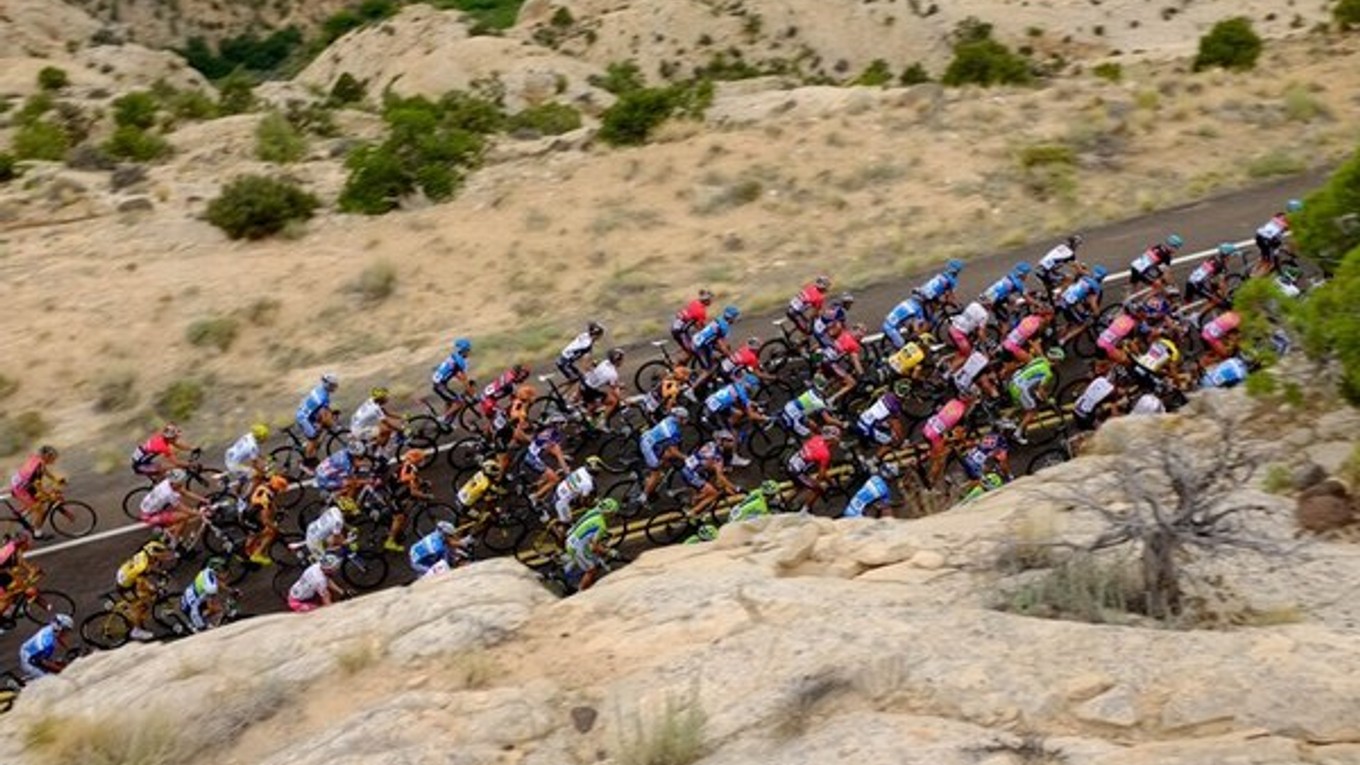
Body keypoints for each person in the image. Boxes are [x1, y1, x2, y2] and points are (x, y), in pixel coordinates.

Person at [115, 539, 177, 641]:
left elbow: (150, 569)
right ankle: (136, 631)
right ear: (154, 554)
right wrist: (152, 588)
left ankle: (134, 616)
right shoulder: (142, 566)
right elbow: (142, 582)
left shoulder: (144, 553)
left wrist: (161, 573)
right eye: (161, 554)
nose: (163, 556)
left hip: (125, 573)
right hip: (125, 585)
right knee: (141, 605)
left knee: (147, 594)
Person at [138, 470, 208, 549]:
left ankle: (168, 530)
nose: (183, 483)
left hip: (147, 508)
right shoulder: (169, 493)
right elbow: (183, 508)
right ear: (176, 482)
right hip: (149, 516)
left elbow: (185, 492)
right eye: (181, 482)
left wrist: (205, 500)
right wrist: (201, 513)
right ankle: (173, 541)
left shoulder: (168, 482)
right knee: (184, 517)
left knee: (182, 507)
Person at [680, 432, 740, 521]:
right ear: (722, 442)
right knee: (714, 493)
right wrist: (736, 488)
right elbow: (721, 477)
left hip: (691, 469)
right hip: (692, 473)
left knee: (714, 486)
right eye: (729, 441)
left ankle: (694, 500)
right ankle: (692, 512)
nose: (733, 443)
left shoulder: (711, 444)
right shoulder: (718, 457)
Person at [562, 498, 620, 591]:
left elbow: (590, 528)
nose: (614, 516)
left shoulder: (593, 511)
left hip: (571, 537)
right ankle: (581, 592)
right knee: (591, 570)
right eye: (613, 513)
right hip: (576, 547)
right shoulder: (601, 525)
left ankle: (569, 567)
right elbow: (594, 547)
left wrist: (606, 534)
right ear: (608, 513)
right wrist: (609, 552)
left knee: (591, 550)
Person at [8, 445, 63, 536]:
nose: (54, 460)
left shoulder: (38, 459)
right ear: (47, 456)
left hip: (20, 482)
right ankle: (37, 533)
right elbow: (38, 486)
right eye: (53, 458)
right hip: (21, 488)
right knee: (40, 509)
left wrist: (55, 479)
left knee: (39, 500)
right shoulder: (38, 469)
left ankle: (26, 514)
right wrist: (48, 495)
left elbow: (44, 471)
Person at [638, 408, 689, 502]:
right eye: (684, 418)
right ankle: (644, 496)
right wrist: (686, 458)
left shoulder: (669, 419)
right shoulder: (673, 432)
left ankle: (654, 471)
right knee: (656, 474)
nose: (686, 421)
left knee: (667, 456)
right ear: (679, 418)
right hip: (649, 448)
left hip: (647, 438)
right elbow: (674, 451)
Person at [1007, 352, 1060, 443]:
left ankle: (1007, 419)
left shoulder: (1040, 359)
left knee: (1023, 406)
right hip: (1020, 389)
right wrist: (1048, 400)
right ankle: (1017, 434)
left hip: (1013, 382)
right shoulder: (1047, 373)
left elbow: (1032, 376)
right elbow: (1041, 391)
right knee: (1032, 411)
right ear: (1057, 362)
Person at [786, 426, 840, 514]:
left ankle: (783, 502)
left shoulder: (817, 438)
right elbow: (821, 474)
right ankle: (803, 512)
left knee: (800, 486)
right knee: (817, 489)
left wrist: (828, 479)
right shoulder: (825, 454)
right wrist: (827, 482)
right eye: (838, 438)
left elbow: (820, 468)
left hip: (791, 463)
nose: (839, 441)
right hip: (796, 472)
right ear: (832, 439)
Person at [242, 474, 289, 567]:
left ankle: (248, 551)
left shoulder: (265, 486)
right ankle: (256, 555)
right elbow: (265, 520)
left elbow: (272, 504)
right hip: (251, 518)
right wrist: (276, 528)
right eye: (280, 490)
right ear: (276, 488)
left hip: (248, 511)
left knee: (255, 533)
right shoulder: (267, 498)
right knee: (271, 533)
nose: (281, 492)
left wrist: (277, 510)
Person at [923, 397, 972, 484]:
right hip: (935, 435)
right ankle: (931, 481)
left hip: (928, 426)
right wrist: (964, 442)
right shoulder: (962, 413)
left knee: (939, 447)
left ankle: (925, 458)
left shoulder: (953, 401)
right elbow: (959, 435)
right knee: (940, 459)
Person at [550, 456, 606, 529]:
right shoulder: (588, 484)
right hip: (561, 502)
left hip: (559, 489)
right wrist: (590, 506)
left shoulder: (581, 469)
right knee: (568, 525)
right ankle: (560, 531)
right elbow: (583, 501)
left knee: (575, 499)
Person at [476, 364, 531, 439]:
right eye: (523, 376)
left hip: (486, 395)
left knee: (493, 419)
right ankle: (488, 436)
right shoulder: (511, 385)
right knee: (503, 418)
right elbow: (514, 399)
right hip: (488, 402)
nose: (523, 379)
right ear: (518, 373)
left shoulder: (508, 374)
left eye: (525, 377)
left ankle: (486, 435)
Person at [295, 374, 340, 465]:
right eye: (333, 385)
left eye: (335, 385)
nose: (335, 388)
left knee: (320, 427)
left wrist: (330, 413)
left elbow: (324, 410)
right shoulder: (323, 397)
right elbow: (324, 417)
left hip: (306, 413)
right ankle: (306, 462)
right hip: (304, 418)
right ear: (328, 385)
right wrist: (333, 425)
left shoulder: (321, 389)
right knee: (314, 438)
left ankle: (311, 448)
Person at [524, 420, 572, 504]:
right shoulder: (555, 438)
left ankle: (537, 485)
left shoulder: (548, 431)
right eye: (562, 424)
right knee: (555, 479)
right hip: (534, 459)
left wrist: (562, 456)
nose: (564, 426)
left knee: (549, 472)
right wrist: (568, 473)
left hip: (530, 454)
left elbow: (549, 449)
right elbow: (558, 455)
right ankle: (534, 497)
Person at [1057, 266, 1107, 345]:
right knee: (1084, 324)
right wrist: (1097, 313)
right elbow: (1093, 303)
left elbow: (1079, 272)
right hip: (1069, 305)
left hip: (1063, 298)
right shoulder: (1096, 287)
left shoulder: (1085, 277)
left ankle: (1061, 331)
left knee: (1072, 320)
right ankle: (1063, 340)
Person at [820, 322, 866, 404]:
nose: (862, 337)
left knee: (839, 373)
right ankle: (830, 400)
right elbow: (856, 362)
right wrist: (862, 375)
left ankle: (824, 387)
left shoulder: (845, 332)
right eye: (861, 335)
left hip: (824, 357)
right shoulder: (854, 345)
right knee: (852, 383)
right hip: (832, 363)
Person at [409, 521, 475, 578]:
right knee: (444, 572)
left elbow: (448, 543)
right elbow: (445, 562)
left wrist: (461, 544)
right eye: (450, 536)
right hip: (418, 563)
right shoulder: (439, 548)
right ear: (445, 535)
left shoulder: (437, 534)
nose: (452, 537)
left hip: (415, 553)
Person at [131, 423, 195, 480]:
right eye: (175, 437)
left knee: (168, 470)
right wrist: (191, 464)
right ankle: (161, 487)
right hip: (140, 465)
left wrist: (192, 448)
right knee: (172, 469)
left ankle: (162, 482)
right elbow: (176, 463)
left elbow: (177, 445)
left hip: (140, 460)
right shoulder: (163, 447)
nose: (176, 439)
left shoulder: (162, 437)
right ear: (170, 438)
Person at [18, 615, 74, 679]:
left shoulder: (51, 628)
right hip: (28, 660)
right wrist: (63, 670)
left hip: (30, 651)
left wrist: (70, 649)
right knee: (50, 679)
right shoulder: (47, 644)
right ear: (60, 628)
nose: (67, 633)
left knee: (57, 664)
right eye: (66, 630)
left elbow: (59, 637)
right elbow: (46, 663)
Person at [350, 387, 403, 455]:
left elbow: (386, 413)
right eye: (386, 397)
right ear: (381, 399)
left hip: (355, 423)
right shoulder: (375, 409)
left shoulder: (372, 400)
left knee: (380, 426)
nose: (388, 398)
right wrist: (399, 429)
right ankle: (379, 453)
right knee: (387, 430)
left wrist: (402, 417)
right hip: (358, 430)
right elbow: (387, 423)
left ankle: (374, 445)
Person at [432, 338, 474, 423]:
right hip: (440, 385)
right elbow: (465, 381)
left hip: (439, 383)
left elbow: (453, 371)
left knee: (450, 401)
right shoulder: (461, 361)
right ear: (464, 350)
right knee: (460, 403)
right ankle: (442, 418)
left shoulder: (454, 356)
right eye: (468, 350)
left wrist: (460, 379)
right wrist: (471, 393)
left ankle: (446, 422)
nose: (469, 352)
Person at [1254, 200, 1301, 275]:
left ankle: (1253, 271)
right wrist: (1291, 251)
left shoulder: (1280, 215)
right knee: (1270, 263)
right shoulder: (1291, 221)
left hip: (1259, 234)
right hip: (1267, 239)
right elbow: (1294, 238)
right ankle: (1255, 278)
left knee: (1268, 254)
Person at [852, 391, 906, 458]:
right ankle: (873, 461)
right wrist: (901, 441)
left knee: (880, 427)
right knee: (891, 442)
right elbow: (896, 426)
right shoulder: (895, 407)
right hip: (868, 428)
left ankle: (856, 447)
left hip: (862, 419)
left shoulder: (887, 395)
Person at [180, 558, 227, 633]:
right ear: (217, 571)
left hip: (187, 597)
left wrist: (231, 591)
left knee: (215, 606)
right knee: (209, 630)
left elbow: (218, 582)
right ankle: (198, 626)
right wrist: (221, 609)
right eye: (224, 571)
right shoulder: (211, 588)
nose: (226, 573)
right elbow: (210, 607)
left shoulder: (206, 572)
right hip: (192, 610)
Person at [579, 348, 625, 423]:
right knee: (612, 401)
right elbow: (614, 389)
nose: (623, 361)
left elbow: (605, 378)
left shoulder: (605, 362)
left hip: (585, 383)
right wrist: (624, 400)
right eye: (622, 359)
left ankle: (587, 412)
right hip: (589, 390)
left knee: (595, 401)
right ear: (617, 361)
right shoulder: (613, 374)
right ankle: (601, 422)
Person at [1000, 303, 1053, 367]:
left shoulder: (1031, 317)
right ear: (1047, 316)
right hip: (1013, 347)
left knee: (1011, 368)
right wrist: (1044, 358)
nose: (1052, 318)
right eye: (1051, 316)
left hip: (1008, 342)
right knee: (1034, 363)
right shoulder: (1038, 325)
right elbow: (1034, 343)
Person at [224, 424, 270, 495]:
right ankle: (246, 496)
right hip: (233, 465)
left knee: (246, 475)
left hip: (229, 454)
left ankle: (239, 489)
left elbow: (256, 453)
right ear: (260, 438)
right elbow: (254, 464)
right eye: (265, 438)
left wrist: (263, 458)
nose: (266, 440)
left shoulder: (249, 435)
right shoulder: (253, 446)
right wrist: (262, 470)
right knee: (255, 474)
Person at [692, 306, 741, 372]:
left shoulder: (719, 319)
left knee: (723, 348)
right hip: (700, 345)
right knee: (711, 368)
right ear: (731, 318)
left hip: (696, 338)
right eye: (735, 317)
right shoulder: (724, 327)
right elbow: (722, 345)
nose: (736, 319)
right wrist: (731, 357)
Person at [946, 301, 991, 371]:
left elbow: (971, 318)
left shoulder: (974, 304)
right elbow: (981, 332)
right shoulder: (984, 315)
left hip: (953, 327)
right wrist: (985, 342)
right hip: (959, 334)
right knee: (967, 354)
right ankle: (948, 372)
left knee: (961, 350)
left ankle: (952, 364)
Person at [0, 533, 36, 615]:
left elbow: (21, 562)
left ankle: (12, 607)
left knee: (15, 586)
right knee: (7, 597)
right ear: (22, 544)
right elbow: (13, 571)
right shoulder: (13, 553)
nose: (29, 545)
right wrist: (29, 575)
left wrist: (31, 570)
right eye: (27, 542)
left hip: (3, 572)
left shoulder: (13, 547)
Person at [672, 289, 714, 358]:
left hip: (679, 327)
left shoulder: (695, 302)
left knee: (691, 344)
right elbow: (700, 327)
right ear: (706, 300)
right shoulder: (701, 311)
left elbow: (695, 321)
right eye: (710, 300)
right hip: (679, 331)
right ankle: (678, 364)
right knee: (691, 351)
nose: (711, 302)